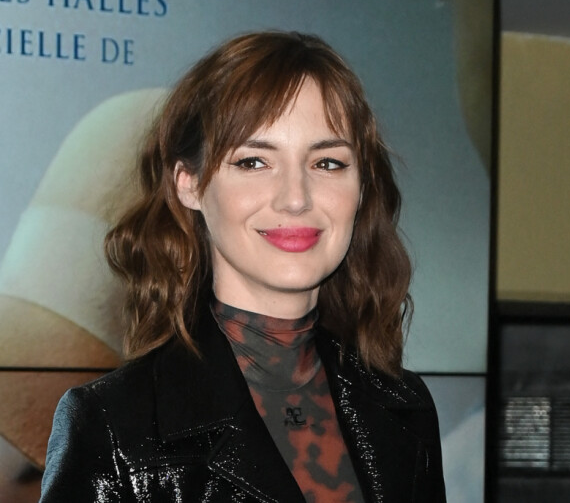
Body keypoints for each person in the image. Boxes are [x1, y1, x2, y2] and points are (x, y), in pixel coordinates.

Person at [40, 31, 446, 502]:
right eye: (253, 161)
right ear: (188, 184)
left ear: (361, 187)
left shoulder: (405, 407)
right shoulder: (112, 425)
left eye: (328, 163)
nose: (296, 198)